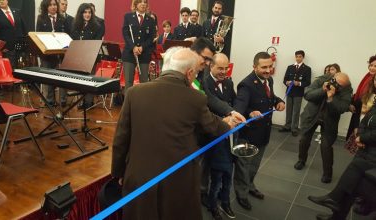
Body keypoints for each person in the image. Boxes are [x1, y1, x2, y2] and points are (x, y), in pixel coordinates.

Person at [111, 47, 243, 220]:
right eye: (196, 73)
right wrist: (228, 124)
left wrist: (119, 172)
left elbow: (121, 139)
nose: (196, 77)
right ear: (189, 73)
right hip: (178, 180)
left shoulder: (134, 92)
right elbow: (211, 126)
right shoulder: (195, 98)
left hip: (139, 177)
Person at [308, 98, 376, 220]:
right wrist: (360, 135)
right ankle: (335, 210)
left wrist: (362, 138)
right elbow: (364, 122)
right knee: (350, 184)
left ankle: (333, 199)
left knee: (353, 181)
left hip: (372, 154)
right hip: (365, 150)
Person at [234, 51, 285, 210]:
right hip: (248, 135)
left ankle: (250, 186)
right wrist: (250, 112)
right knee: (244, 167)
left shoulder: (268, 80)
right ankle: (241, 194)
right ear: (254, 67)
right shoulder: (246, 84)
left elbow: (270, 97)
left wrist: (279, 101)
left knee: (254, 165)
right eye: (264, 67)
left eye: (270, 66)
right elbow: (239, 107)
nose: (268, 70)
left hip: (264, 132)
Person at [203, 53, 245, 219]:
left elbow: (234, 102)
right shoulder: (203, 83)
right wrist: (228, 117)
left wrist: (246, 112)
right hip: (216, 136)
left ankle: (226, 202)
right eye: (220, 68)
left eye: (226, 68)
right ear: (210, 66)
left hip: (232, 136)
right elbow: (209, 105)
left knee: (229, 172)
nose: (224, 71)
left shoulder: (229, 82)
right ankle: (213, 206)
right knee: (217, 175)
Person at [294, 72, 352, 183]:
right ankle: (301, 160)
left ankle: (327, 173)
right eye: (335, 82)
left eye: (340, 85)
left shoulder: (347, 89)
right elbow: (307, 95)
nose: (336, 85)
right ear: (332, 78)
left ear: (344, 86)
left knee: (326, 146)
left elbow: (342, 108)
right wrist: (323, 90)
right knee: (304, 139)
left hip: (330, 120)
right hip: (311, 115)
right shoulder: (322, 80)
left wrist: (331, 98)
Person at [36, 0, 70, 107]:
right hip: (47, 54)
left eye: (55, 4)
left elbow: (68, 35)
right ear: (46, 7)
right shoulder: (41, 18)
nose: (53, 7)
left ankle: (62, 100)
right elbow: (38, 35)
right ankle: (50, 100)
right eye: (50, 5)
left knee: (62, 77)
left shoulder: (63, 19)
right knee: (48, 77)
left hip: (61, 53)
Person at [70, 3, 103, 109]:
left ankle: (88, 102)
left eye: (89, 12)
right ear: (81, 13)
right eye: (85, 12)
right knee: (80, 79)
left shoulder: (97, 26)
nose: (87, 14)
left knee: (89, 79)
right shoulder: (75, 25)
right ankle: (81, 101)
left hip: (90, 57)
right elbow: (73, 40)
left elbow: (96, 42)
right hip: (78, 56)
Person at [121, 0, 155, 92]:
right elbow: (126, 34)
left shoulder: (151, 20)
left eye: (145, 2)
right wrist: (133, 47)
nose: (143, 4)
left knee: (143, 82)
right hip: (129, 53)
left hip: (144, 54)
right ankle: (128, 105)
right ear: (135, 4)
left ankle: (142, 105)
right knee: (128, 82)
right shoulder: (128, 17)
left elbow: (151, 38)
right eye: (140, 2)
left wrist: (141, 47)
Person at [279, 50, 312, 136]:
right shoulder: (290, 67)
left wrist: (299, 83)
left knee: (296, 111)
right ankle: (287, 126)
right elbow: (285, 79)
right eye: (297, 56)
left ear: (303, 57)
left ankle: (294, 128)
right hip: (289, 92)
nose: (298, 58)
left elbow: (308, 82)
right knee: (288, 110)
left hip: (298, 93)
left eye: (300, 56)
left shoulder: (307, 69)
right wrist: (287, 82)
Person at [0, 0, 27, 68]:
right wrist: (2, 47)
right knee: (10, 69)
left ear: (7, 1)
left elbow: (24, 28)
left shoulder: (17, 11)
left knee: (22, 70)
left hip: (21, 47)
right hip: (7, 49)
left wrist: (26, 42)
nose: (1, 1)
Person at [346, 55, 376, 140]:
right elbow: (360, 96)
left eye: (375, 66)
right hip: (359, 114)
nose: (372, 68)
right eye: (371, 65)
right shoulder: (368, 77)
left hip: (367, 121)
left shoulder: (373, 81)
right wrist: (351, 103)